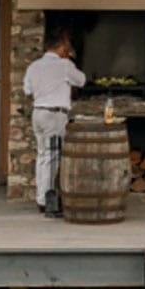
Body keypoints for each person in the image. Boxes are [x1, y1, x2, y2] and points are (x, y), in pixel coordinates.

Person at [23, 30, 85, 213]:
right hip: (55, 115)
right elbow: (81, 80)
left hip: (38, 113)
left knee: (43, 155)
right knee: (52, 157)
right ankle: (49, 201)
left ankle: (41, 198)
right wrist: (70, 59)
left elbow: (27, 90)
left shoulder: (33, 66)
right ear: (61, 48)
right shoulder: (64, 65)